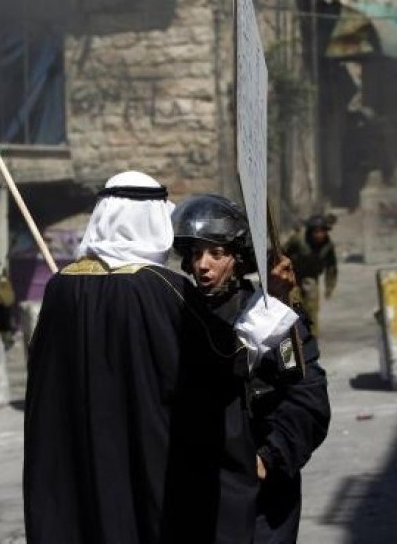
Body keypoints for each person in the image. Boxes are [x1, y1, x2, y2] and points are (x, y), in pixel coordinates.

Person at [23, 172, 288, 544]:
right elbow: (228, 360)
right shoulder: (164, 289)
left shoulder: (60, 288)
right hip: (145, 466)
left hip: (79, 463)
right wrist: (273, 304)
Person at [172, 194, 331, 544]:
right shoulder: (183, 319)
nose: (204, 265)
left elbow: (308, 399)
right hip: (205, 490)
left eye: (216, 253)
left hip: (263, 494)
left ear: (238, 257)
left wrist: (269, 459)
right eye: (196, 253)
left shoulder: (270, 318)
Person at [282, 214, 338, 335]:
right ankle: (293, 336)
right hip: (293, 277)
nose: (319, 235)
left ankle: (311, 337)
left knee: (311, 309)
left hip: (311, 278)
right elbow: (283, 252)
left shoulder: (328, 245)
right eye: (316, 232)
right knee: (293, 306)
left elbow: (331, 267)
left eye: (322, 231)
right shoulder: (298, 239)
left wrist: (329, 287)